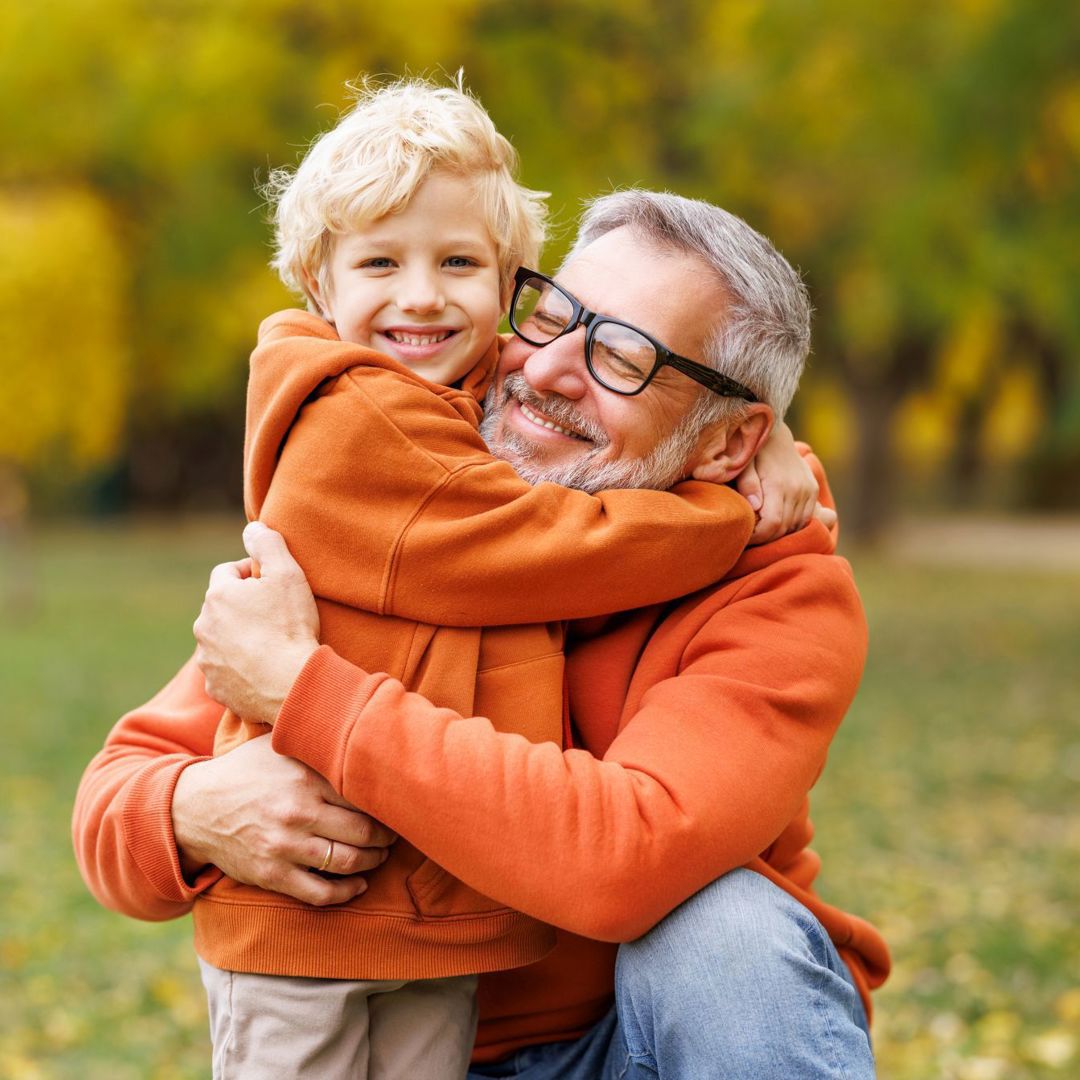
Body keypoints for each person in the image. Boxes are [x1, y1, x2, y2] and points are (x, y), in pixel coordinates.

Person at [88, 79, 818, 1079]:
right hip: (369, 975)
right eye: (558, 315)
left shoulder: (775, 582)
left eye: (625, 360)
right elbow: (113, 795)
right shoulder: (410, 475)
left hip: (613, 1042)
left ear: (733, 435)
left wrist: (309, 697)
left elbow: (623, 860)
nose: (554, 367)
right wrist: (196, 807)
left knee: (735, 935)